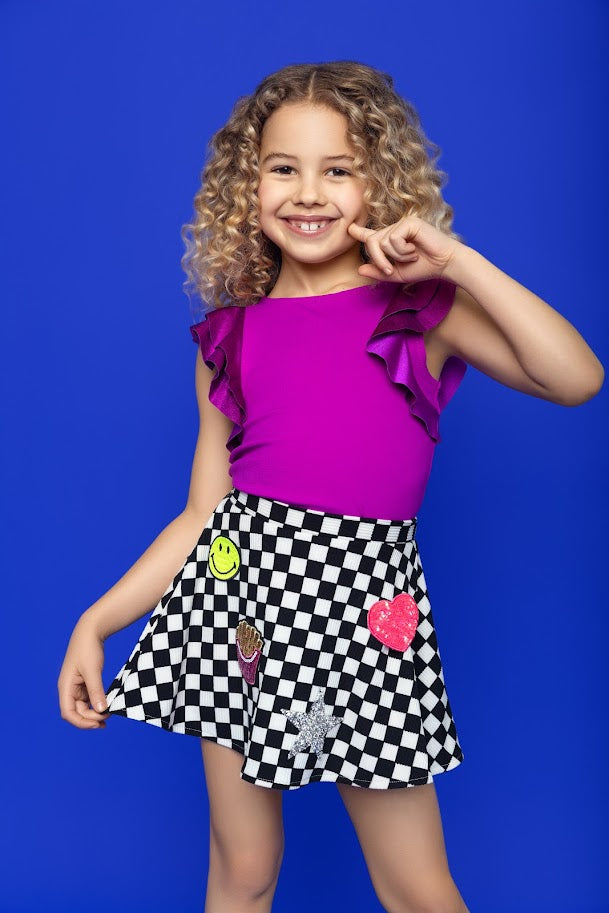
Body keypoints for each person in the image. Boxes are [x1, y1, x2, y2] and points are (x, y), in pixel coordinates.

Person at [57, 61, 604, 913]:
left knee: (417, 886)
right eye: (284, 167)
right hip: (238, 614)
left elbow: (574, 379)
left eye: (338, 169)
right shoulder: (227, 340)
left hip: (366, 619)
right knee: (244, 871)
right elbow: (204, 516)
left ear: (378, 184)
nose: (308, 193)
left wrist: (455, 259)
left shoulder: (416, 311)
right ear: (248, 184)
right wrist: (97, 620)